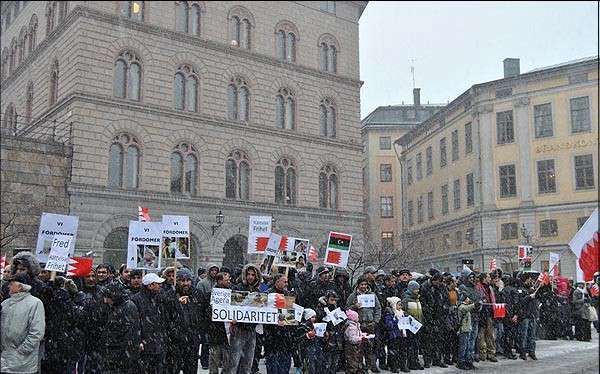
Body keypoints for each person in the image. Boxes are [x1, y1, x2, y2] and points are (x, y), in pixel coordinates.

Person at [0, 273, 46, 374]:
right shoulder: (5, 303)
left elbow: (37, 331)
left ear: (20, 286)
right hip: (4, 359)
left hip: (23, 362)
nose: (8, 286)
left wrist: (22, 350)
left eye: (11, 284)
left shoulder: (35, 303)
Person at [99, 282, 141, 373]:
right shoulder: (116, 306)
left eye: (108, 297)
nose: (105, 301)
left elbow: (125, 335)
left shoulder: (127, 308)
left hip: (121, 358)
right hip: (115, 356)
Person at [226, 263, 261, 374]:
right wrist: (232, 318)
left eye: (252, 275)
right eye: (248, 274)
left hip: (251, 329)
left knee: (248, 362)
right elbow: (230, 306)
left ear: (256, 276)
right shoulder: (238, 288)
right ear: (244, 275)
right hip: (238, 329)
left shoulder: (258, 291)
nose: (250, 277)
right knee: (234, 361)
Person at [131, 273, 168, 373]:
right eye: (158, 283)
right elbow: (134, 323)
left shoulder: (160, 298)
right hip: (145, 344)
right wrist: (138, 340)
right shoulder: (136, 300)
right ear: (150, 285)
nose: (160, 286)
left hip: (159, 343)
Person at [347, 275, 382, 373]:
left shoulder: (372, 295)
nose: (363, 286)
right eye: (362, 284)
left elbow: (378, 309)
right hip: (358, 325)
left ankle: (370, 366)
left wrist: (375, 321)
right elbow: (347, 309)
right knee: (358, 348)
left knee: (370, 347)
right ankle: (360, 367)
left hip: (370, 324)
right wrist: (354, 306)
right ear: (358, 285)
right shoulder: (353, 296)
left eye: (365, 284)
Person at [172, 268, 203, 374]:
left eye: (188, 280)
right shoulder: (171, 294)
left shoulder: (197, 294)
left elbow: (203, 314)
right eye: (182, 280)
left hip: (192, 338)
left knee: (190, 368)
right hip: (176, 340)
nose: (185, 283)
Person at [263, 274, 296, 374]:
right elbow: (263, 314)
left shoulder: (288, 295)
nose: (287, 284)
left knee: (284, 364)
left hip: (285, 336)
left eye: (287, 282)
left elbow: (291, 315)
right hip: (271, 335)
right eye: (284, 281)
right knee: (272, 364)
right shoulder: (267, 294)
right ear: (277, 282)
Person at [207, 272, 232, 374]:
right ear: (220, 281)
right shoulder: (211, 294)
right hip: (215, 331)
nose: (229, 282)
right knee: (214, 360)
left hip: (228, 332)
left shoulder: (231, 294)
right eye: (227, 280)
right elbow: (207, 312)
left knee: (228, 361)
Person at [402, 280, 424, 370]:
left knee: (416, 345)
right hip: (410, 326)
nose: (417, 291)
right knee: (411, 345)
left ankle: (415, 361)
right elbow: (403, 312)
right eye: (415, 289)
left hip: (418, 325)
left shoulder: (417, 299)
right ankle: (411, 362)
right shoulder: (406, 300)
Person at [383, 296, 409, 373]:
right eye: (398, 305)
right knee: (393, 351)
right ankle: (393, 366)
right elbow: (388, 325)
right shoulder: (390, 314)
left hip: (402, 335)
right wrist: (396, 322)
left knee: (403, 350)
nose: (400, 306)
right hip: (394, 335)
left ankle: (402, 365)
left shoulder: (402, 313)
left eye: (401, 305)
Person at [475, 272, 497, 362]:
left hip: (489, 313)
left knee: (490, 335)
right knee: (481, 335)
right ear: (484, 278)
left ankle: (491, 353)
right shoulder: (478, 287)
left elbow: (493, 300)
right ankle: (482, 353)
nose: (490, 278)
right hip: (481, 314)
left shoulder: (490, 287)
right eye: (488, 277)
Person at [456, 294, 480, 370]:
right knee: (463, 347)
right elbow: (466, 308)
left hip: (467, 329)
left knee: (468, 347)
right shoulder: (461, 306)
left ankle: (468, 361)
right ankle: (461, 362)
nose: (468, 299)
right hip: (463, 329)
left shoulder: (466, 306)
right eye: (467, 298)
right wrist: (474, 304)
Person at [297, 308, 322, 374]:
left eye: (315, 317)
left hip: (315, 350)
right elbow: (299, 340)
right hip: (307, 351)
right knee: (309, 368)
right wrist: (307, 336)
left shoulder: (315, 326)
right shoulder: (302, 327)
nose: (314, 319)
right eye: (312, 317)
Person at [344, 309, 365, 374]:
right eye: (357, 317)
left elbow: (358, 333)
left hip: (355, 346)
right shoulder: (351, 327)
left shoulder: (356, 325)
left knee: (356, 360)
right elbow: (352, 339)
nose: (358, 318)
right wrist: (360, 338)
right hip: (351, 347)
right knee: (352, 362)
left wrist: (362, 335)